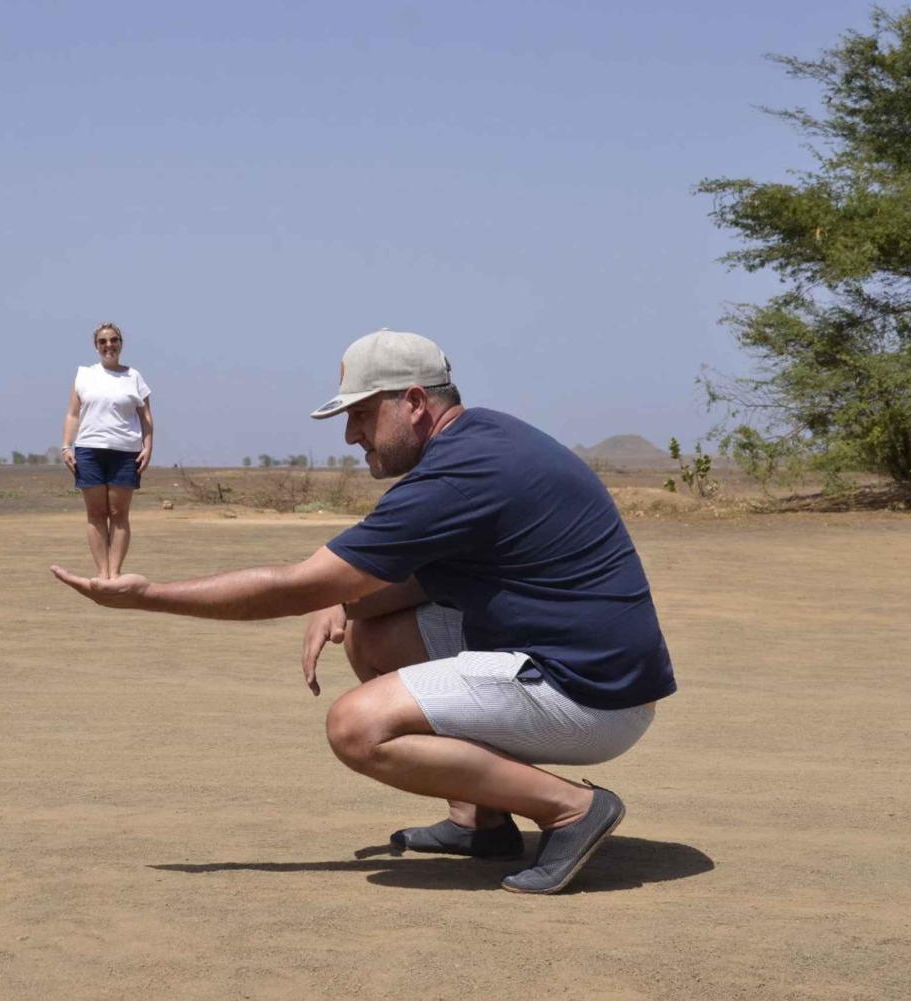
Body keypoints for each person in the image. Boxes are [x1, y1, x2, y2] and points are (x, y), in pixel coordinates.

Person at [50, 329, 676, 894]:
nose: (351, 436)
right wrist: (344, 602)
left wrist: (150, 596)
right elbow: (417, 580)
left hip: (589, 694)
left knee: (356, 728)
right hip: (592, 667)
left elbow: (296, 586)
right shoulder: (483, 440)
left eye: (360, 415)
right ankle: (479, 821)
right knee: (370, 636)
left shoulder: (456, 477)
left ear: (414, 402)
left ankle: (570, 809)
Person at [61, 321, 154, 579]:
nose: (108, 345)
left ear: (121, 344)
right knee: (96, 514)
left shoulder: (134, 377)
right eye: (103, 341)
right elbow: (72, 414)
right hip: (89, 450)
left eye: (113, 340)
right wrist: (66, 446)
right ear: (96, 346)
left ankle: (115, 572)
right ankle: (102, 573)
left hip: (125, 452)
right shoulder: (84, 375)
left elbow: (146, 417)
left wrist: (148, 447)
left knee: (118, 514)